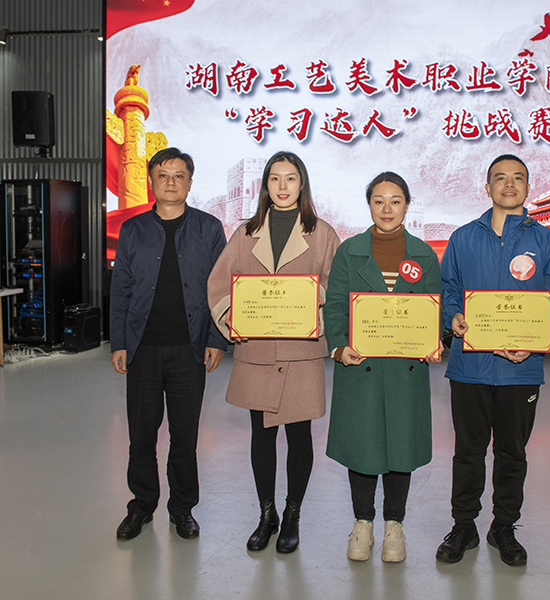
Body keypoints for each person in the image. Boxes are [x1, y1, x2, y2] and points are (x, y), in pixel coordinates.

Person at [436, 154, 550, 567]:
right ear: (487, 187)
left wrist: (536, 341)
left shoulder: (547, 241)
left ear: (528, 187)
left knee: (513, 452)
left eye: (518, 178)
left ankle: (504, 526)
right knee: (468, 452)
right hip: (470, 367)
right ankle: (464, 525)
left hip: (521, 369)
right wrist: (452, 317)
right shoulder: (463, 238)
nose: (509, 184)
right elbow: (449, 288)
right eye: (500, 178)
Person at [207, 151, 340, 553]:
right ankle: (267, 516)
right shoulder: (246, 233)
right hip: (258, 350)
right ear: (265, 185)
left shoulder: (322, 234)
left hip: (301, 352)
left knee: (300, 437)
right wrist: (231, 317)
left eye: (291, 178)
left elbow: (337, 287)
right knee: (261, 437)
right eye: (275, 179)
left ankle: (292, 516)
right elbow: (219, 282)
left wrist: (314, 302)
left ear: (302, 184)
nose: (283, 186)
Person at [324, 172, 442, 563]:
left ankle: (395, 525)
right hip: (360, 366)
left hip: (405, 369)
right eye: (379, 201)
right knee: (362, 446)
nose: (387, 209)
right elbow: (336, 305)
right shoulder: (350, 251)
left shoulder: (424, 255)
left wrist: (432, 341)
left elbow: (433, 309)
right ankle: (363, 522)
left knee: (401, 447)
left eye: (395, 201)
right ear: (369, 205)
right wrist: (339, 347)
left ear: (407, 205)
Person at [110, 147, 228, 540]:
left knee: (184, 436)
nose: (171, 182)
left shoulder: (209, 228)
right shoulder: (133, 230)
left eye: (179, 175)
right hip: (142, 349)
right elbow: (121, 289)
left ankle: (182, 509)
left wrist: (216, 339)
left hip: (189, 350)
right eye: (163, 175)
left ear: (190, 183)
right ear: (151, 182)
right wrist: (118, 342)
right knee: (142, 434)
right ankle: (141, 506)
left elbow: (220, 290)